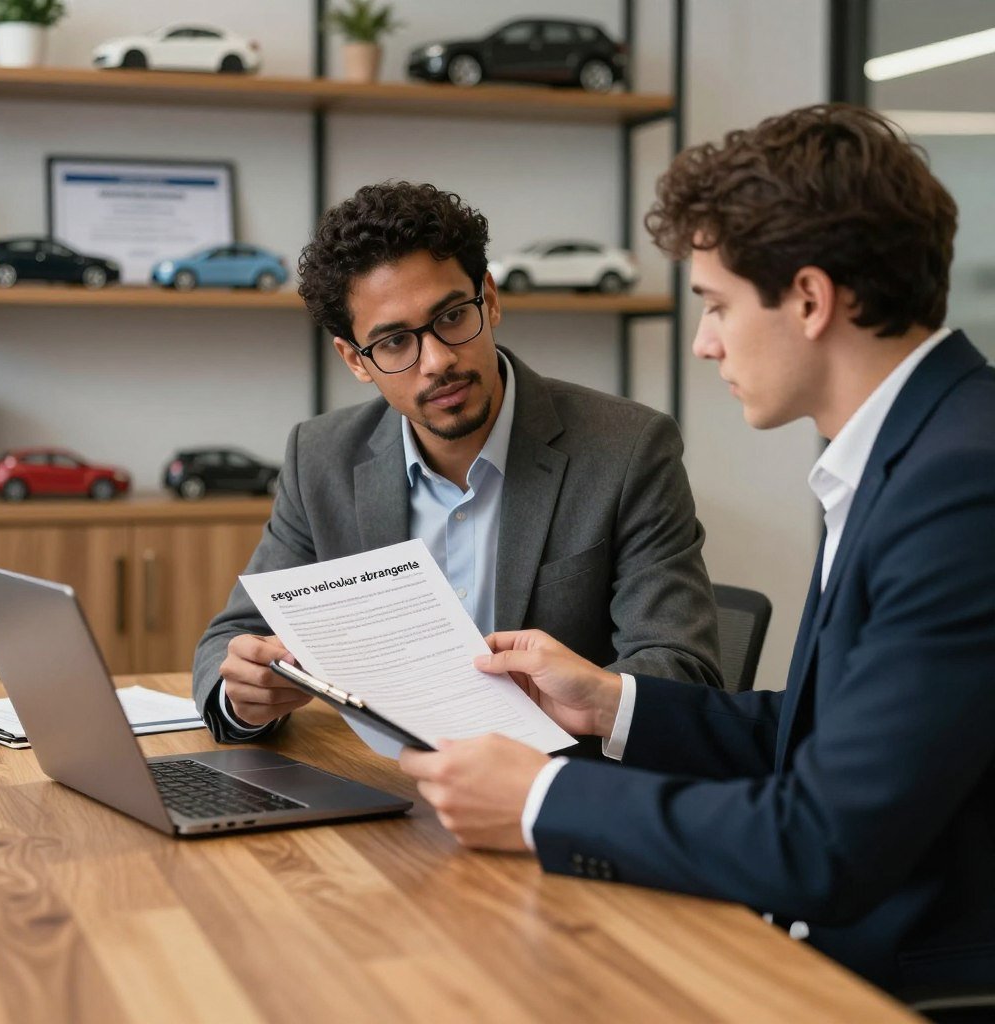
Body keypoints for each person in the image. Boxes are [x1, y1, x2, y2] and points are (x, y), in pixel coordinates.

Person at [399, 104, 995, 998]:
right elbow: (830, 735)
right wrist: (610, 702)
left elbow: (823, 842)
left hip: (902, 981)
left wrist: (537, 801)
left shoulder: (960, 486)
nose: (705, 340)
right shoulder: (921, 447)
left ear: (808, 298)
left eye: (716, 304)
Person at [193, 181, 721, 742]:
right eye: (395, 342)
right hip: (388, 783)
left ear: (490, 299)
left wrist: (600, 700)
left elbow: (680, 669)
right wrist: (245, 697)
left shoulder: (628, 449)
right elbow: (233, 640)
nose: (439, 361)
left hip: (556, 791)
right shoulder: (320, 457)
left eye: (451, 318)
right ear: (355, 359)